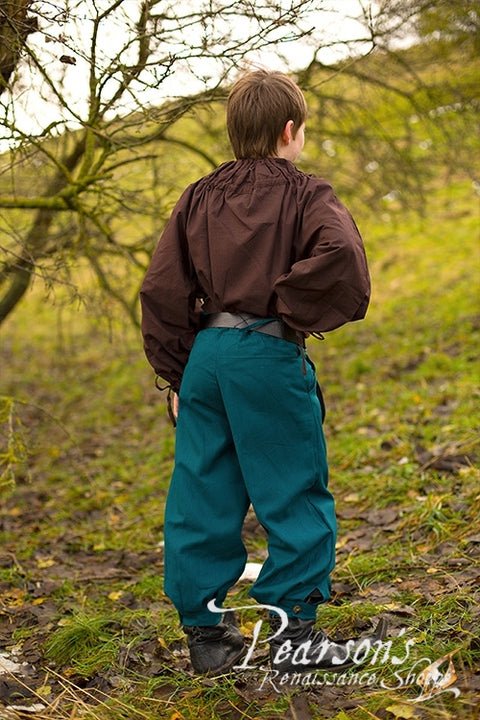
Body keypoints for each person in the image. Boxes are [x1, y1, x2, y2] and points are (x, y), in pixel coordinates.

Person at [140, 69, 386, 675]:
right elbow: (344, 260)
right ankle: (294, 635)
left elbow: (162, 290)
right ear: (289, 130)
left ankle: (207, 641)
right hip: (264, 355)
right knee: (292, 486)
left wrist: (178, 376)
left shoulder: (197, 197)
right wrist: (282, 306)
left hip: (206, 361)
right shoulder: (307, 193)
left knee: (202, 492)